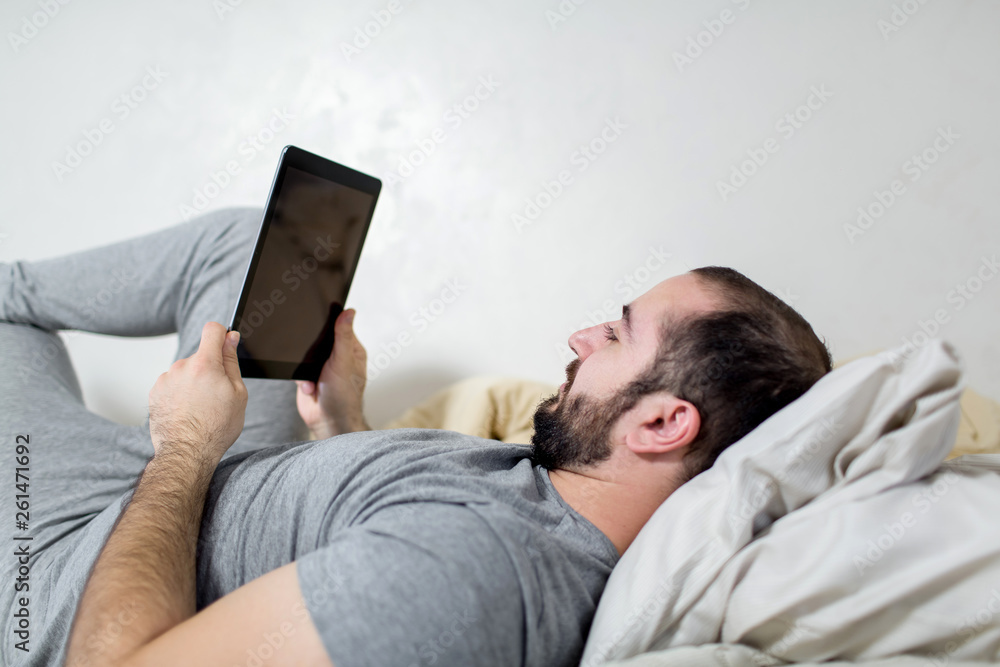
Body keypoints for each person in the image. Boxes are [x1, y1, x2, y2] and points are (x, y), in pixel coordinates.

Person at [0, 208, 831, 667]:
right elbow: (368, 534)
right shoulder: (548, 499)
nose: (581, 337)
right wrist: (341, 425)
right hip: (220, 481)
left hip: (75, 557)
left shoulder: (470, 576)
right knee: (276, 241)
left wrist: (185, 445)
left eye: (617, 335)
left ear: (659, 422)